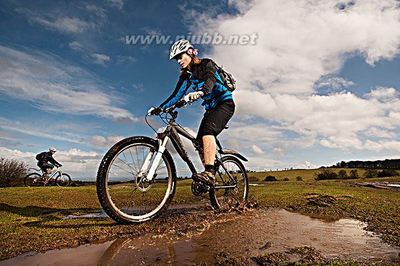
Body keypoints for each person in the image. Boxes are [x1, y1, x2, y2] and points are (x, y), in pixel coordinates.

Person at [148, 39, 235, 186]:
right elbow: (176, 95)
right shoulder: (186, 76)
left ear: (190, 52)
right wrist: (161, 108)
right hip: (211, 108)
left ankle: (210, 173)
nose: (179, 61)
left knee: (208, 132)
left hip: (224, 103)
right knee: (198, 142)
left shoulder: (206, 64)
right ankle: (209, 174)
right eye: (177, 59)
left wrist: (201, 92)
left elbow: (210, 79)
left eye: (180, 57)